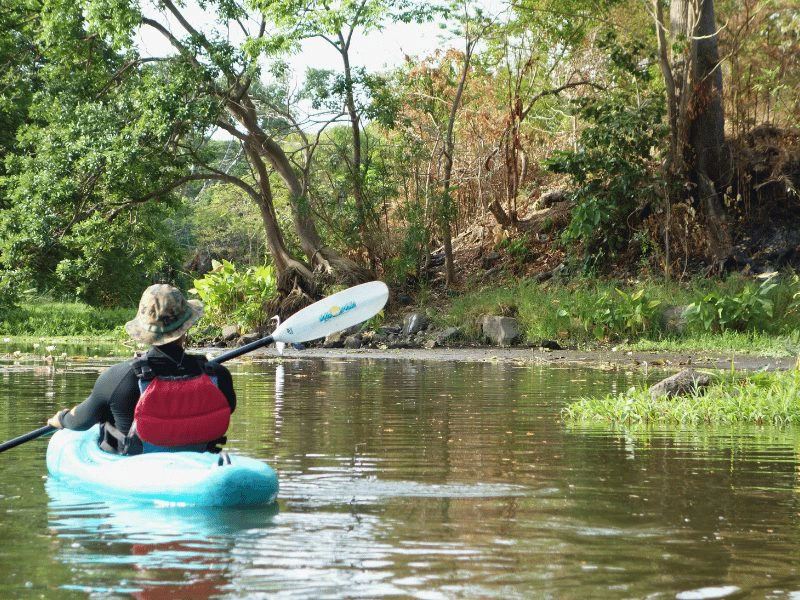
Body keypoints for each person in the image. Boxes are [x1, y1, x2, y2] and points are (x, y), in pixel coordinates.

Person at [47, 284, 236, 455]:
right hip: (200, 463)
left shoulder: (119, 378)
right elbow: (228, 409)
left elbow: (81, 422)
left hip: (140, 471)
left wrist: (62, 418)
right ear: (186, 328)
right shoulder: (217, 374)